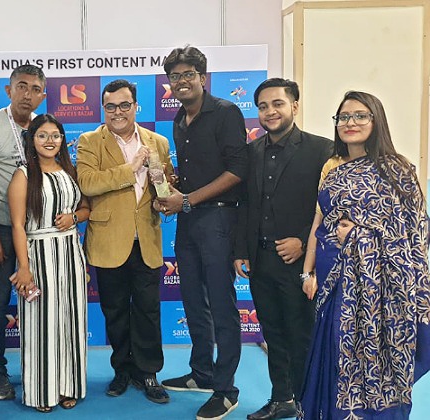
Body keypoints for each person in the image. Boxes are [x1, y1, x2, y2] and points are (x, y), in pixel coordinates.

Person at [299, 91, 430, 419]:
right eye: (343, 117)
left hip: (380, 293)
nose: (350, 123)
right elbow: (321, 223)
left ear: (376, 120)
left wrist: (359, 236)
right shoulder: (334, 171)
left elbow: (414, 234)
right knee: (335, 353)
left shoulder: (398, 170)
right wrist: (310, 270)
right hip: (336, 283)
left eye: (360, 115)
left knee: (373, 361)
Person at [233, 78, 333, 420]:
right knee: (273, 334)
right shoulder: (252, 152)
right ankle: (281, 399)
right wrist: (240, 250)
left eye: (277, 103)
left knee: (301, 336)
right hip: (260, 261)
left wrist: (304, 242)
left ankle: (308, 405)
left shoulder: (322, 150)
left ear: (295, 106)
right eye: (263, 106)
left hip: (298, 263)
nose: (270, 112)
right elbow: (245, 204)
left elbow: (330, 208)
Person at [157, 46, 247, 420]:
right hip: (189, 219)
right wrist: (174, 185)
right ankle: (202, 372)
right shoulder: (179, 119)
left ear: (202, 77)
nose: (181, 81)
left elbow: (237, 170)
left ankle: (226, 390)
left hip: (219, 220)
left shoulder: (226, 112)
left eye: (188, 74)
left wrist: (188, 199)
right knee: (193, 300)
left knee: (222, 305)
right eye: (175, 76)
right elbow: (197, 173)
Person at [77, 79, 173, 405]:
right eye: (110, 106)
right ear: (103, 108)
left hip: (146, 239)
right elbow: (87, 183)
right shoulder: (90, 141)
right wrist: (130, 168)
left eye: (124, 105)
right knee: (115, 311)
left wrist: (164, 197)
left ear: (135, 106)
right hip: (108, 241)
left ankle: (148, 372)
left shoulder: (158, 142)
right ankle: (121, 370)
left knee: (148, 311)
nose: (117, 112)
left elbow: (162, 185)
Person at [0, 64, 46, 401]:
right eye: (22, 87)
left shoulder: (44, 127)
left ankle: (40, 364)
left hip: (38, 229)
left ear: (43, 95)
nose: (27, 94)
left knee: (41, 297)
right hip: (1, 226)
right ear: (8, 90)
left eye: (35, 89)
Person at [8, 114, 90, 413]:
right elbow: (18, 225)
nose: (49, 141)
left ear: (62, 139)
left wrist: (74, 217)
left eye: (55, 135)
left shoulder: (70, 169)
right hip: (38, 255)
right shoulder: (23, 175)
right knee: (41, 323)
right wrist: (24, 267)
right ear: (32, 140)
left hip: (70, 253)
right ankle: (42, 390)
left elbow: (86, 208)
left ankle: (69, 386)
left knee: (71, 321)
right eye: (42, 135)